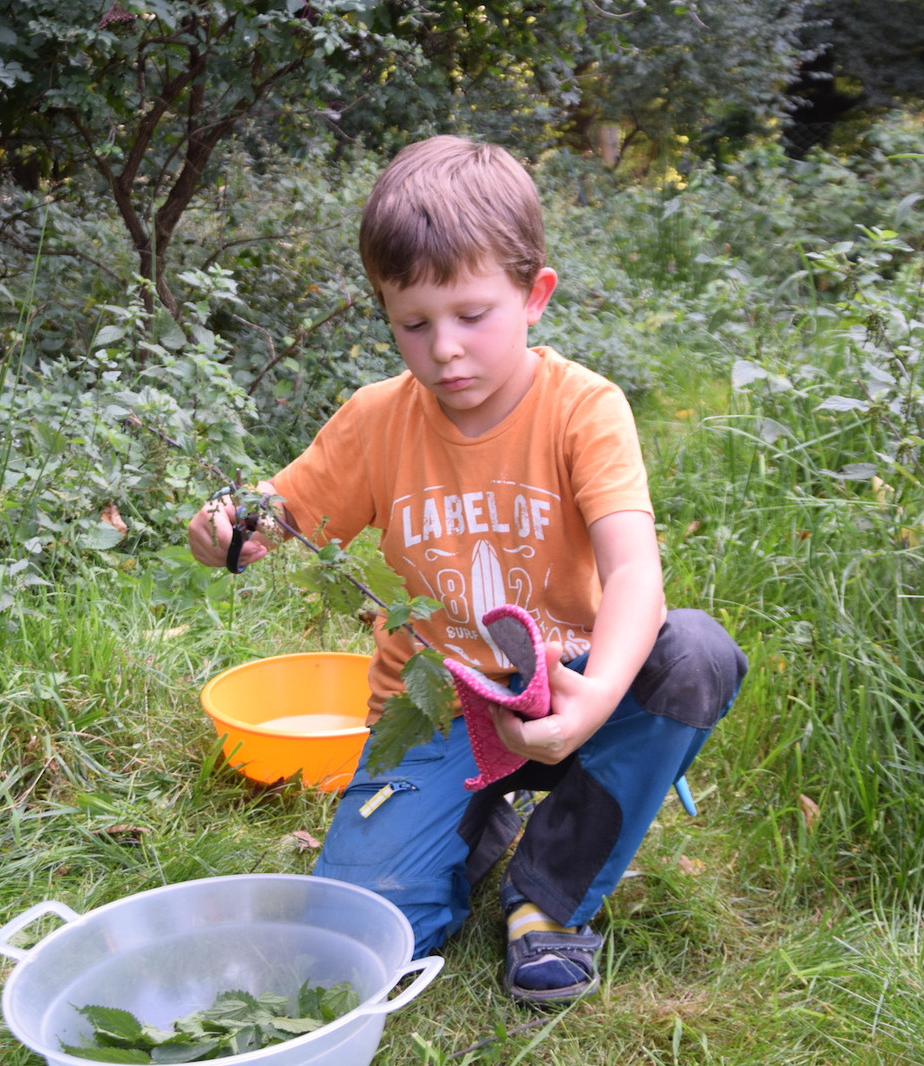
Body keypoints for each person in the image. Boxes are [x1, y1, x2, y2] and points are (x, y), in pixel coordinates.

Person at [188, 135, 746, 1005]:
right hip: (437, 710)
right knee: (357, 942)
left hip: (570, 688)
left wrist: (592, 701)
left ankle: (550, 901)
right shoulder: (377, 421)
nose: (444, 349)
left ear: (535, 297)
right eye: (414, 323)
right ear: (386, 313)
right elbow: (278, 514)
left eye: (472, 315)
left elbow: (636, 572)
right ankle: (467, 829)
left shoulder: (584, 409)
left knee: (695, 655)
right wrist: (225, 529)